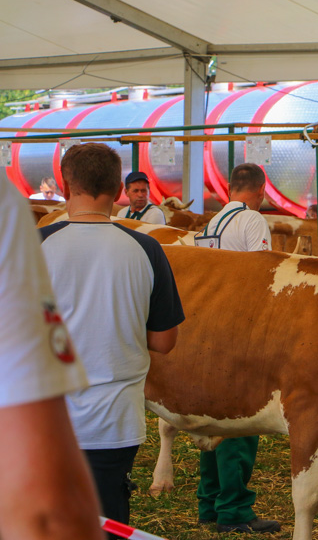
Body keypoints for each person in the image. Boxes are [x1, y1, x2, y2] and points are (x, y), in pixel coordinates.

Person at [38, 143, 185, 538]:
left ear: (66, 185)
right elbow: (165, 341)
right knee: (107, 519)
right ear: (120, 190)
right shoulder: (147, 249)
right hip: (114, 423)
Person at [0, 174, 103, 540]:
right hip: (101, 408)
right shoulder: (5, 208)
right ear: (119, 191)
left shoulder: (45, 238)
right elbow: (45, 510)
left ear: (67, 186)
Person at [195, 163, 279, 534]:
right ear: (261, 190)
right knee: (240, 421)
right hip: (240, 331)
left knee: (213, 417)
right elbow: (260, 277)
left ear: (230, 188)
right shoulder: (253, 222)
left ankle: (209, 502)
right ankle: (234, 509)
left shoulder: (209, 226)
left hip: (207, 329)